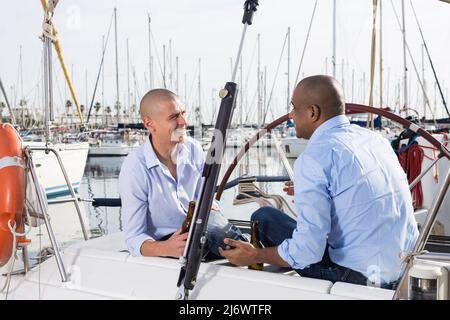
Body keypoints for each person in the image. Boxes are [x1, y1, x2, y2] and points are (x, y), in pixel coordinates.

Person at [220, 75, 419, 288]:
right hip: (403, 270)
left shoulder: (315, 156)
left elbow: (308, 252)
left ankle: (281, 256)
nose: (290, 115)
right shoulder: (375, 140)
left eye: (294, 108)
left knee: (264, 217)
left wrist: (256, 255)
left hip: (359, 278)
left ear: (313, 112)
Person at [119, 88, 245, 259]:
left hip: (201, 229)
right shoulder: (135, 167)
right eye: (173, 117)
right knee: (220, 231)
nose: (183, 121)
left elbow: (205, 197)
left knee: (263, 218)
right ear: (150, 124)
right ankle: (254, 254)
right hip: (167, 242)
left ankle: (256, 252)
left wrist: (211, 205)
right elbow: (134, 237)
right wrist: (165, 248)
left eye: (183, 113)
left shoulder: (194, 149)